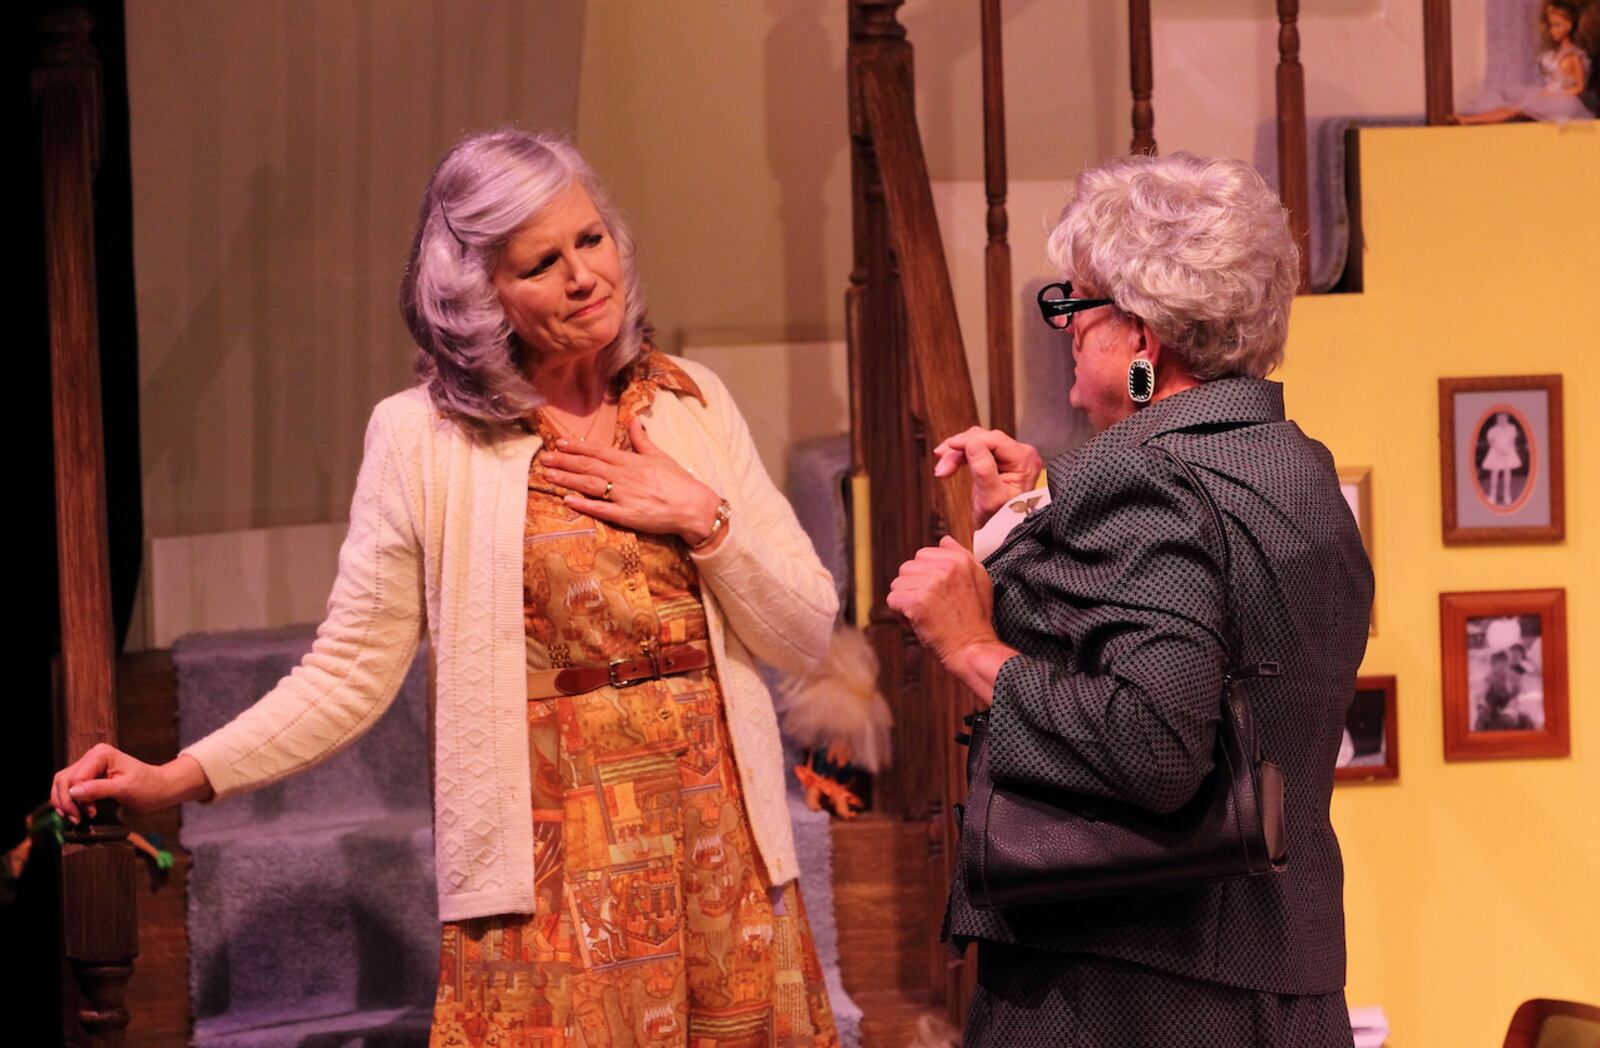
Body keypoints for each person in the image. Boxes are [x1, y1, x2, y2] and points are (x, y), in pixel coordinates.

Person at [51, 128, 842, 1046]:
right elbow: (349, 670)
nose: (584, 275)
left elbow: (805, 628)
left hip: (720, 837)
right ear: (480, 295)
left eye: (591, 239)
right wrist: (181, 777)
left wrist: (704, 516)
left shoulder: (689, 401)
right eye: (541, 263)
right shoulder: (424, 441)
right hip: (549, 854)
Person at [887, 152, 1373, 1046]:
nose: (1065, 333)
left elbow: (1155, 743)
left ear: (1143, 341)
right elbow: (1212, 638)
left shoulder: (1138, 480)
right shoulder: (1298, 471)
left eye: (1076, 310)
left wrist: (971, 647)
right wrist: (1040, 519)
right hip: (1283, 986)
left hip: (1128, 991)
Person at [1454, 0, 1596, 124]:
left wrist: (1557, 94)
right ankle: (1471, 119)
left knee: (1515, 109)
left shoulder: (1574, 56)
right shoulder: (1555, 53)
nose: (1553, 31)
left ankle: (1470, 120)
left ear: (1569, 26)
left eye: (1557, 25)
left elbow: (1579, 87)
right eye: (1551, 26)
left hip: (1563, 102)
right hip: (1549, 95)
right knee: (1513, 106)